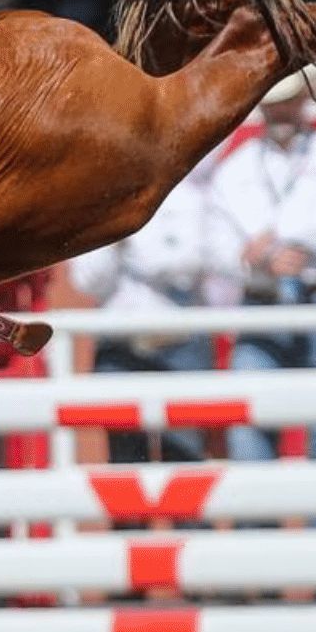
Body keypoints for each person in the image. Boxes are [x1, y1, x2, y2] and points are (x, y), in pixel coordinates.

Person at [208, 66, 316, 461]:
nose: (278, 113)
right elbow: (216, 249)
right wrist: (256, 260)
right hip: (262, 300)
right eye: (271, 105)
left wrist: (284, 245)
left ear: (303, 100)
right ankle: (257, 522)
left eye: (285, 103)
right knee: (250, 427)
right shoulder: (236, 168)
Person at [67, 180, 215, 462]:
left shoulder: (186, 197)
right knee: (123, 455)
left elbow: (188, 266)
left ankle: (182, 508)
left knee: (184, 452)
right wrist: (114, 246)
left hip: (178, 342)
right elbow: (86, 281)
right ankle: (130, 509)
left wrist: (131, 239)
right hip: (119, 344)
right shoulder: (95, 203)